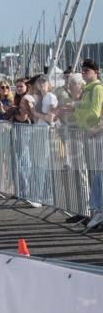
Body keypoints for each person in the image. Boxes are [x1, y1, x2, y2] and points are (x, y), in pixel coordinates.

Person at [67, 60, 103, 230]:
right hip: (89, 135)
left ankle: (99, 212)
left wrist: (77, 112)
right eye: (82, 70)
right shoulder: (88, 90)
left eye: (87, 70)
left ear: (96, 72)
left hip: (97, 135)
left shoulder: (97, 88)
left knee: (98, 176)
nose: (84, 73)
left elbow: (94, 113)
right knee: (94, 176)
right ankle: (96, 212)